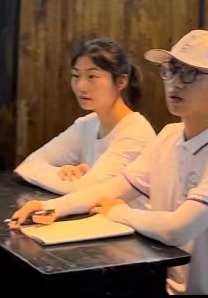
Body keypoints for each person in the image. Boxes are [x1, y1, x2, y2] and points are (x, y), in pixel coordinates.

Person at [8, 30, 208, 295]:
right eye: (171, 70)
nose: (175, 82)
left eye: (190, 73)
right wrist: (51, 207)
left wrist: (117, 212)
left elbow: (177, 230)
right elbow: (117, 187)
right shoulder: (170, 136)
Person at [14, 38, 156, 194]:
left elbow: (88, 191)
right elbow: (28, 165)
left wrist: (76, 182)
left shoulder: (135, 133)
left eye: (92, 76)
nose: (81, 86)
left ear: (121, 81)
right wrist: (62, 173)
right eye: (76, 76)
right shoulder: (87, 125)